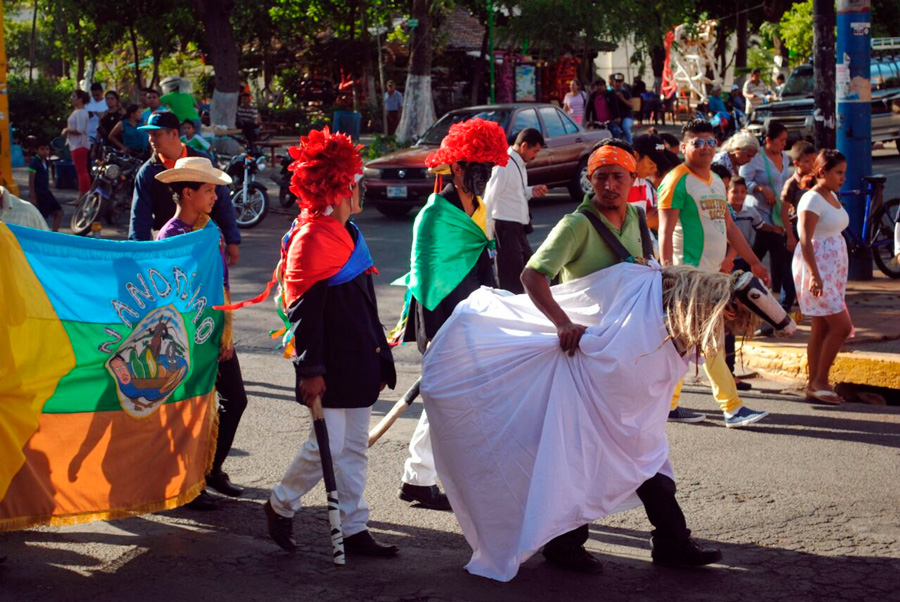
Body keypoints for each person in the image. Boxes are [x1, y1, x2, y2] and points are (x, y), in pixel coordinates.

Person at [519, 142, 720, 574]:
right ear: (589, 181)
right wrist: (561, 323)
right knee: (589, 453)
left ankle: (670, 541)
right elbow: (532, 275)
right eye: (601, 177)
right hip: (588, 361)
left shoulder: (635, 219)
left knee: (644, 447)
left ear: (634, 181)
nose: (610, 185)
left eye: (619, 177)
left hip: (627, 360)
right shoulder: (575, 225)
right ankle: (567, 543)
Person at [262, 127, 399, 557]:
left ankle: (355, 528)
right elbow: (305, 314)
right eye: (354, 182)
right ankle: (281, 504)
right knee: (329, 445)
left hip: (360, 358)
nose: (359, 189)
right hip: (329, 364)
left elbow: (364, 304)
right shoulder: (311, 238)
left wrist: (380, 359)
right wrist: (311, 370)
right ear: (339, 188)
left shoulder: (351, 233)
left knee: (355, 447)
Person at [394, 118, 509, 511]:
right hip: (441, 320)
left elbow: (483, 262)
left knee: (450, 401)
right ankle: (427, 478)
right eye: (478, 168)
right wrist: (442, 338)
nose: (486, 176)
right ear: (456, 167)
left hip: (475, 318)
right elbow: (426, 285)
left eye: (490, 168)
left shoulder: (480, 207)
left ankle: (418, 479)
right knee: (450, 400)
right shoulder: (433, 216)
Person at [657, 119, 771, 428]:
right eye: (698, 142)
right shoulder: (676, 180)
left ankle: (669, 405)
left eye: (710, 142)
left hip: (712, 277)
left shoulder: (717, 182)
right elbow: (664, 233)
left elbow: (730, 227)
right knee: (710, 340)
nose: (705, 148)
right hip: (688, 279)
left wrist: (754, 263)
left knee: (686, 342)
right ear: (684, 147)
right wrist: (668, 274)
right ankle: (731, 407)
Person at [154, 157, 249, 507]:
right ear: (188, 193)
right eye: (209, 190)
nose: (215, 197)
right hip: (183, 337)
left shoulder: (211, 230)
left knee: (235, 400)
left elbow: (220, 283)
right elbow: (168, 295)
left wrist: (224, 331)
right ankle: (185, 485)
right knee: (188, 409)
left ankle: (211, 468)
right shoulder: (170, 237)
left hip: (214, 331)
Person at [128, 111, 241, 268]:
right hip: (169, 245)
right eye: (149, 134)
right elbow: (140, 216)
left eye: (156, 134)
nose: (151, 140)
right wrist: (138, 252)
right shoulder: (147, 172)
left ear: (174, 133)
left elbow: (222, 202)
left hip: (204, 240)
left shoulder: (202, 162)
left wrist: (232, 240)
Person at [793, 150, 853, 405]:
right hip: (818, 271)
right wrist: (815, 276)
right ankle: (820, 381)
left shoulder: (831, 196)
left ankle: (814, 384)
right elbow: (805, 239)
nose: (842, 178)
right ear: (822, 172)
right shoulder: (811, 199)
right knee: (841, 327)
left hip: (832, 271)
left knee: (821, 327)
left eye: (843, 173)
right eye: (838, 173)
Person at [739, 120, 795, 319]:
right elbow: (743, 180)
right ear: (768, 140)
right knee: (772, 252)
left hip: (778, 214)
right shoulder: (756, 158)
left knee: (772, 254)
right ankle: (782, 298)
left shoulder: (784, 158)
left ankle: (778, 295)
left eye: (785, 141)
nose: (784, 144)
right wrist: (761, 188)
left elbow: (784, 182)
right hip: (758, 214)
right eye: (780, 140)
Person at [483, 127, 548, 293]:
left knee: (531, 270)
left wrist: (531, 191)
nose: (535, 156)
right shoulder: (504, 165)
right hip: (504, 227)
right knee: (511, 278)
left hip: (517, 227)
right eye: (535, 151)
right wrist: (487, 233)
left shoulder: (517, 162)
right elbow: (489, 199)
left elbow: (515, 190)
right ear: (524, 146)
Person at [630, 133, 671, 230]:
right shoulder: (620, 186)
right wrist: (647, 223)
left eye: (657, 165)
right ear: (636, 155)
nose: (655, 169)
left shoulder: (646, 185)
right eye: (651, 163)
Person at [781, 140, 817, 241]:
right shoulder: (791, 184)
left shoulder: (817, 180)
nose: (812, 164)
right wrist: (790, 236)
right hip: (797, 229)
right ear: (796, 163)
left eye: (814, 160)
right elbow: (784, 212)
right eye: (807, 161)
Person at [27, 138, 63, 231]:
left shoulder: (46, 162)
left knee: (59, 212)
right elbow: (31, 179)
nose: (45, 152)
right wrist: (32, 195)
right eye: (42, 149)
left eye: (47, 149)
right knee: (42, 217)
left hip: (46, 192)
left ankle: (54, 235)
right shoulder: (35, 162)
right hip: (39, 193)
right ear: (36, 150)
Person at [63, 89, 92, 195]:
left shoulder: (81, 112)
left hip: (79, 144)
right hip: (74, 144)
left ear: (80, 99)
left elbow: (80, 129)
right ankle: (82, 193)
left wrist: (67, 130)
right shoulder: (77, 111)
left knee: (82, 171)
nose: (72, 99)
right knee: (80, 170)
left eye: (74, 97)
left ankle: (83, 194)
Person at [609, 73, 634, 144]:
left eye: (620, 82)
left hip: (627, 117)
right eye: (616, 81)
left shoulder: (625, 93)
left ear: (622, 82)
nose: (618, 84)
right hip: (615, 118)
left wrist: (622, 98)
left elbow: (631, 106)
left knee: (625, 127)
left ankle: (630, 145)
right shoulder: (610, 93)